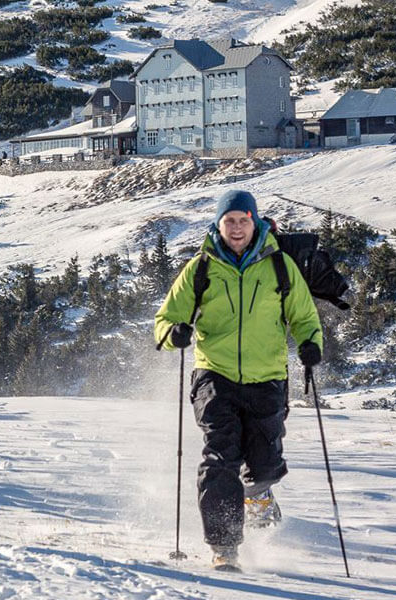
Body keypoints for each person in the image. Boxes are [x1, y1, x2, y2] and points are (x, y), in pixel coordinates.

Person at [153, 190, 324, 571]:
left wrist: (311, 344)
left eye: (242, 220)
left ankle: (256, 494)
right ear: (217, 224)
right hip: (215, 376)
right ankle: (224, 547)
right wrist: (174, 333)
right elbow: (164, 320)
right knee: (220, 457)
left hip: (267, 379)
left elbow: (304, 316)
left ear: (255, 222)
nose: (235, 228)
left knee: (264, 465)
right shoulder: (201, 268)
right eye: (228, 221)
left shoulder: (279, 265)